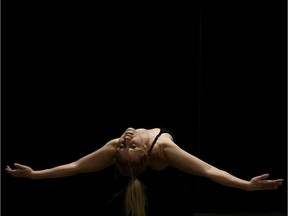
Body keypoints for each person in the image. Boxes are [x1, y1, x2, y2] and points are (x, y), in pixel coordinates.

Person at [5, 127, 284, 216]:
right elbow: (76, 167)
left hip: (163, 189)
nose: (125, 139)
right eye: (128, 145)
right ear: (145, 154)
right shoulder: (160, 148)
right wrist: (35, 174)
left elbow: (75, 166)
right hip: (162, 187)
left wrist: (35, 173)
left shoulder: (123, 148)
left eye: (125, 144)